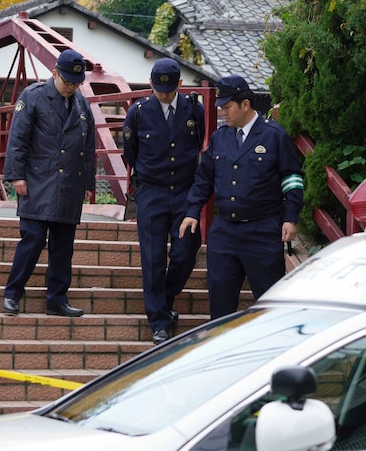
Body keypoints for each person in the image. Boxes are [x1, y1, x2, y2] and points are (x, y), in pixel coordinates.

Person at [179, 74, 304, 319]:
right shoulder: (220, 137)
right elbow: (204, 178)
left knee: (270, 306)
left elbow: (292, 178)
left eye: (227, 107)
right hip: (224, 232)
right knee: (220, 305)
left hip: (263, 232)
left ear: (245, 105)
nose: (223, 112)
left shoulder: (273, 136)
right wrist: (192, 211)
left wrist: (291, 217)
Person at [2, 49, 96, 317]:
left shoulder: (81, 104)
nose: (71, 87)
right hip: (37, 182)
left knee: (63, 247)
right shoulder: (33, 97)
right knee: (32, 239)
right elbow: (18, 138)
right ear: (54, 73)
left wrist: (88, 182)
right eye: (67, 81)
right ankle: (12, 293)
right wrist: (16, 175)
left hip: (69, 186)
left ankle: (57, 299)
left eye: (76, 83)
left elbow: (88, 146)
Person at [122, 58, 204, 345]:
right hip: (152, 192)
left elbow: (198, 143)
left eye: (169, 90)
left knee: (186, 250)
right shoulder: (139, 112)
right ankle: (158, 320)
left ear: (179, 85)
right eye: (159, 90)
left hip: (184, 191)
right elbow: (130, 152)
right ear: (151, 84)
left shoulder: (194, 109)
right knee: (154, 258)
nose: (164, 95)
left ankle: (166, 297)